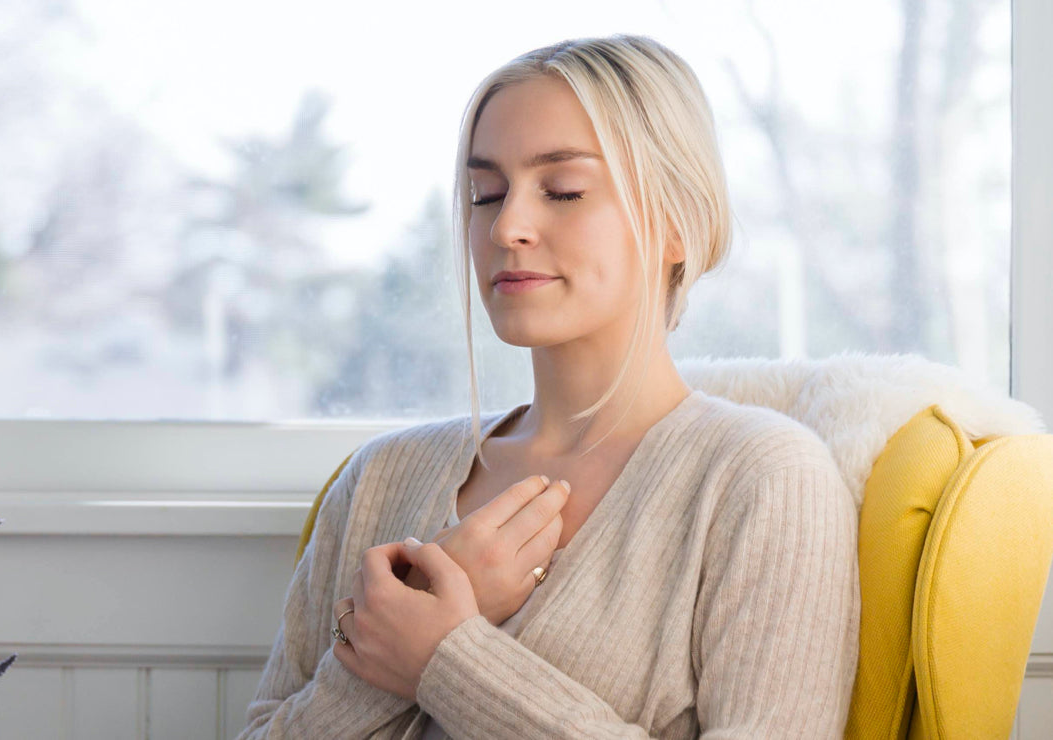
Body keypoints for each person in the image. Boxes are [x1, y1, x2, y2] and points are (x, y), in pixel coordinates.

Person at [237, 34, 860, 739]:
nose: (507, 226)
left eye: (563, 191)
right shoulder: (379, 478)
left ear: (677, 221)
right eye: (485, 194)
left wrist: (447, 656)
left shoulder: (764, 479)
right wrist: (389, 646)